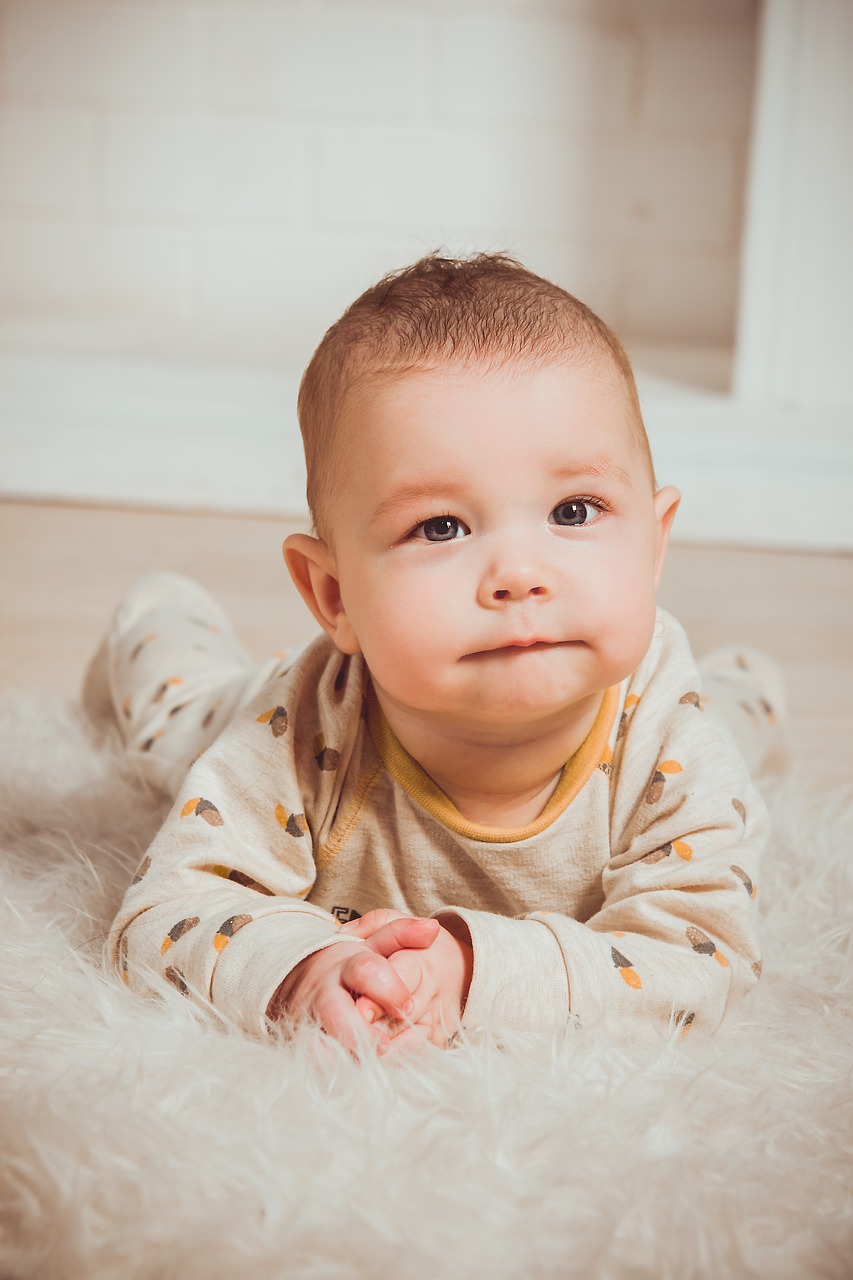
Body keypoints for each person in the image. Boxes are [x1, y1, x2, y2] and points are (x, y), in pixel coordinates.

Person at [92, 254, 782, 1055]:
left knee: (723, 743)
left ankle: (745, 687)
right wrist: (299, 967)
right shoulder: (294, 731)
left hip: (669, 710)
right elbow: (164, 913)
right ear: (335, 597)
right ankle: (161, 610)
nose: (520, 575)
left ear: (653, 547)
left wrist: (474, 971)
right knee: (172, 725)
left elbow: (698, 963)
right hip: (261, 700)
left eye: (574, 509)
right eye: (440, 527)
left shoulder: (668, 739)